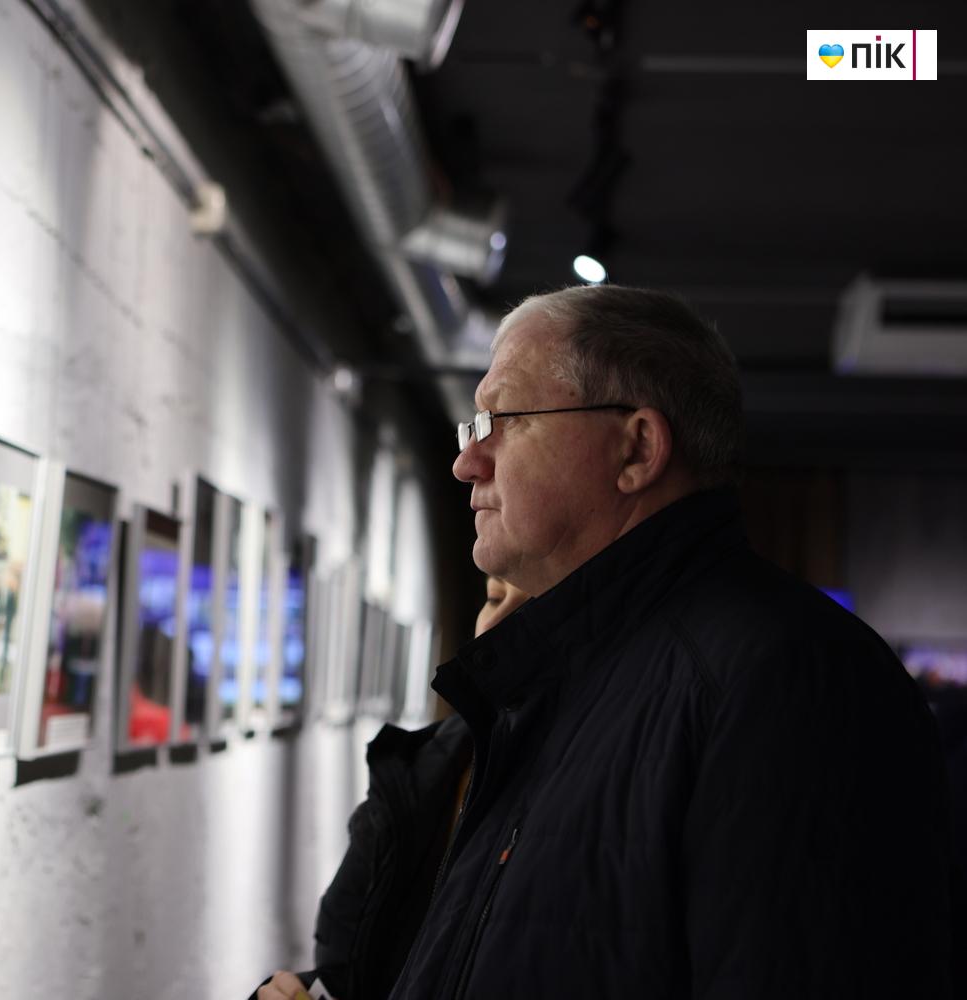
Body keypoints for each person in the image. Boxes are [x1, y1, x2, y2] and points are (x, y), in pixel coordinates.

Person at [288, 283, 955, 999]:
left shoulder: (785, 682)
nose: (468, 463)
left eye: (504, 420)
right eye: (472, 427)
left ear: (636, 448)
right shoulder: (571, 683)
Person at [255, 576, 529, 1000]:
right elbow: (347, 975)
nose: (493, 628)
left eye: (537, 603)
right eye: (494, 598)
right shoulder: (417, 773)